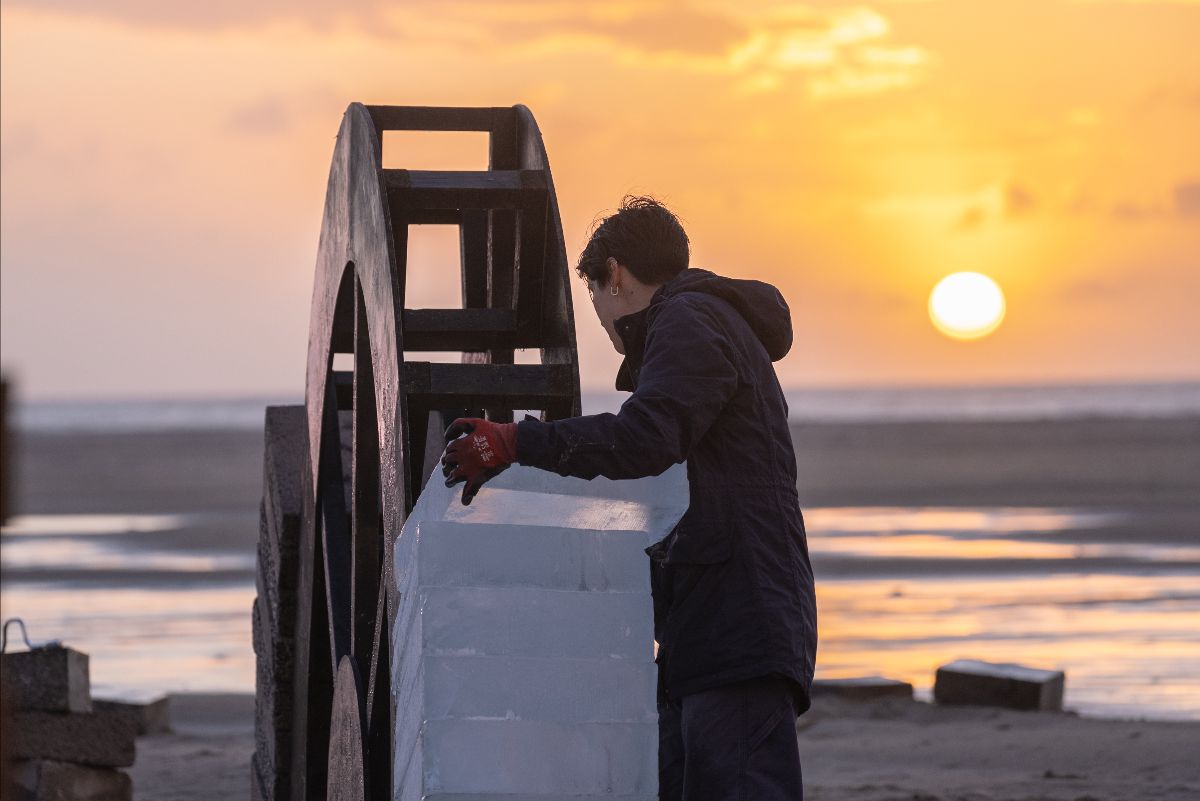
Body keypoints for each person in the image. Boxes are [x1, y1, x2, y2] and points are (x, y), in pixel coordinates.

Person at [441, 195, 817, 800]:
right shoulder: (707, 324)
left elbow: (645, 439)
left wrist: (514, 441)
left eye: (592, 294)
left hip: (739, 621)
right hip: (720, 617)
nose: (596, 313)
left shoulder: (689, 322)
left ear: (614, 275)